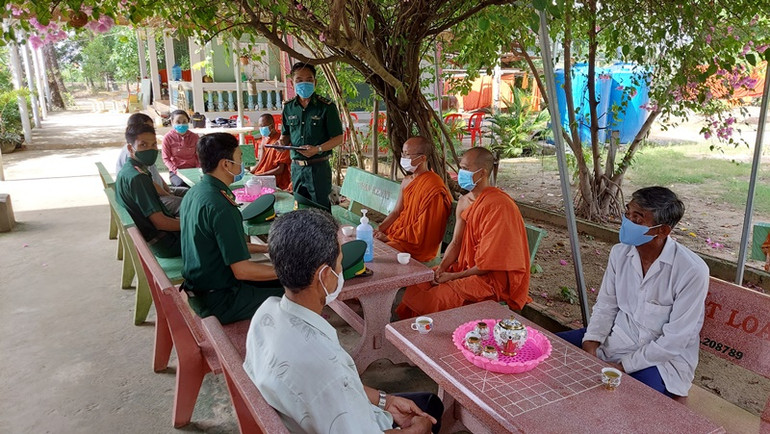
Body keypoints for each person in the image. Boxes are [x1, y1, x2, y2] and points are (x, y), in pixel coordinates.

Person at [244, 209, 443, 434]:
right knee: (431, 409)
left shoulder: (265, 314)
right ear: (325, 276)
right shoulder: (325, 368)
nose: (341, 270)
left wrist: (384, 401)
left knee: (427, 401)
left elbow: (341, 387)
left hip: (300, 411)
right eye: (339, 263)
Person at [557, 187, 708, 400]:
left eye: (637, 219)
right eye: (627, 213)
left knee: (629, 400)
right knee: (549, 349)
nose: (627, 222)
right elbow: (606, 305)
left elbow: (675, 340)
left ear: (662, 230)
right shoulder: (620, 253)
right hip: (616, 339)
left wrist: (622, 366)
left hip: (660, 362)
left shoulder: (691, 271)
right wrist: (590, 344)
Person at [396, 147, 531, 319]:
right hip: (465, 268)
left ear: (481, 173)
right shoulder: (464, 201)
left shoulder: (499, 206)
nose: (461, 173)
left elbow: (488, 264)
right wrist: (442, 269)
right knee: (419, 285)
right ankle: (411, 334)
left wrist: (453, 277)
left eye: (466, 169)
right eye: (461, 167)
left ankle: (431, 339)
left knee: (437, 298)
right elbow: (456, 242)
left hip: (488, 278)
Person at [179, 133, 283, 324]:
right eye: (240, 158)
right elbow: (242, 271)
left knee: (280, 279)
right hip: (220, 300)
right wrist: (292, 271)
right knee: (298, 291)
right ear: (226, 164)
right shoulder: (222, 206)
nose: (242, 164)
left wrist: (267, 248)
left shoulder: (195, 193)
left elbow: (227, 244)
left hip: (199, 289)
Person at [374, 136, 452, 262]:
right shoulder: (406, 181)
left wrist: (390, 238)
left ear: (422, 158)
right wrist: (378, 229)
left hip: (414, 245)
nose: (403, 158)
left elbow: (424, 229)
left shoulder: (433, 186)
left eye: (407, 155)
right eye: (403, 154)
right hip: (398, 235)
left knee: (379, 256)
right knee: (369, 245)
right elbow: (396, 212)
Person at [280, 62, 344, 212]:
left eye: (309, 80)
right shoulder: (288, 107)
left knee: (321, 211)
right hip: (296, 168)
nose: (304, 83)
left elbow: (338, 138)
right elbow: (286, 134)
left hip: (318, 168)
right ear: (292, 83)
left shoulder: (326, 107)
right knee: (300, 210)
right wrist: (281, 142)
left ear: (315, 82)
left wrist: (317, 149)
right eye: (299, 80)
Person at [115, 123, 181, 258]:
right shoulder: (138, 178)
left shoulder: (129, 170)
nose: (150, 150)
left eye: (153, 145)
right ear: (130, 148)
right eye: (143, 145)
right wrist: (193, 224)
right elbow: (161, 223)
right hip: (166, 244)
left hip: (156, 238)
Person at [116, 112, 186, 216]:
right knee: (187, 204)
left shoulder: (145, 156)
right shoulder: (133, 161)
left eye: (154, 144)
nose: (150, 131)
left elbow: (155, 175)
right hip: (150, 197)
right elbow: (148, 185)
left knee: (190, 192)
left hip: (158, 192)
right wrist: (168, 195)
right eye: (147, 128)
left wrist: (167, 189)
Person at [250, 113, 292, 190]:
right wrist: (251, 173)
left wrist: (262, 175)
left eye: (263, 126)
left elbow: (280, 169)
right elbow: (260, 162)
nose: (261, 129)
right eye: (260, 126)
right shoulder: (264, 138)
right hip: (262, 175)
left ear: (272, 126)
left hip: (274, 179)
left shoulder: (280, 142)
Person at [162, 109, 200, 188]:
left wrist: (197, 169)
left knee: (199, 185)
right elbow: (166, 159)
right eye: (178, 122)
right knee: (181, 186)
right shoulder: (167, 138)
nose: (181, 124)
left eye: (184, 122)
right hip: (176, 171)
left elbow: (199, 156)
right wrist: (176, 170)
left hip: (193, 170)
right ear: (172, 122)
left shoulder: (194, 137)